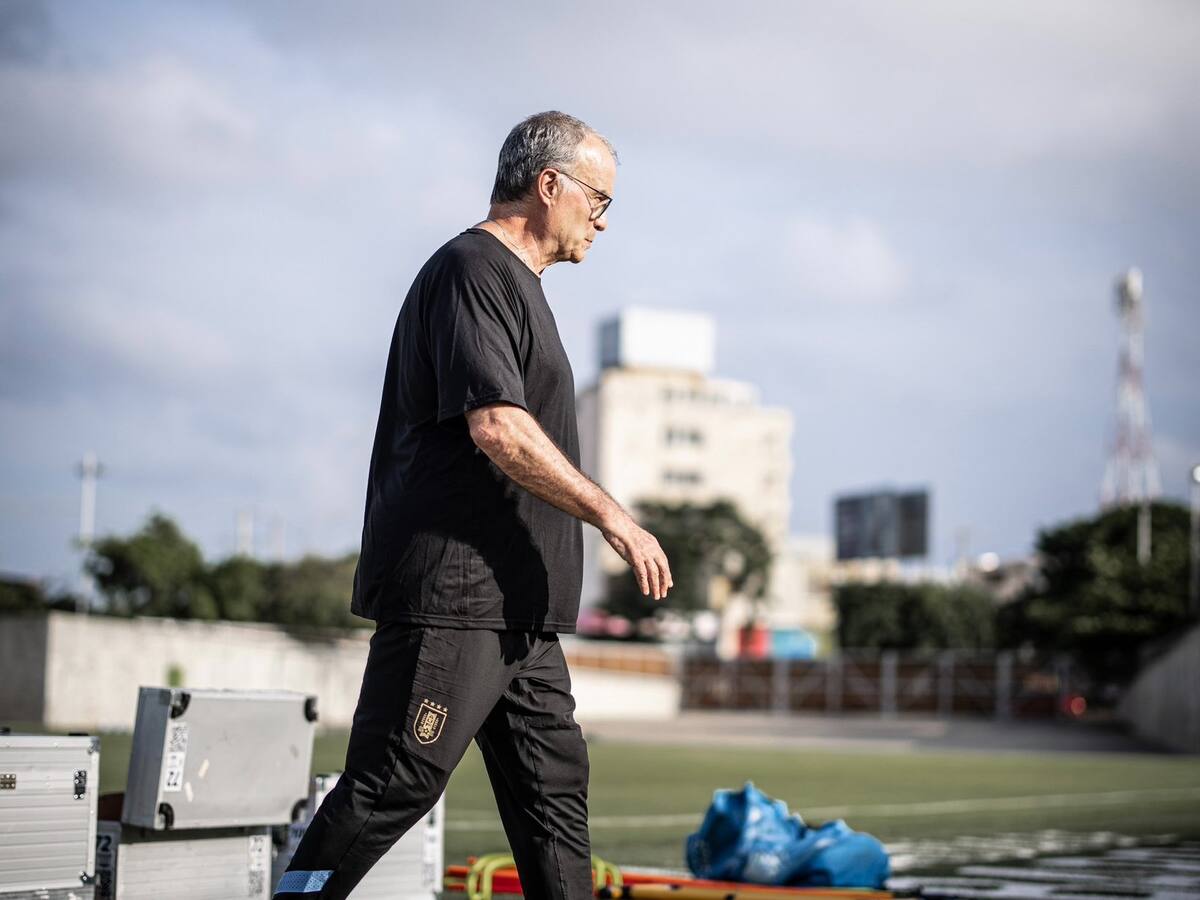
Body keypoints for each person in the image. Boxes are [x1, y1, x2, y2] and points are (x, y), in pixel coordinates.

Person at [274, 111, 672, 900]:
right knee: (394, 782)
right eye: (598, 199)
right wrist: (613, 516)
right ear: (549, 184)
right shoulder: (472, 270)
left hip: (522, 614)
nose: (603, 219)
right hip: (456, 598)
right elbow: (497, 427)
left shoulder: (523, 288)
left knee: (554, 798)